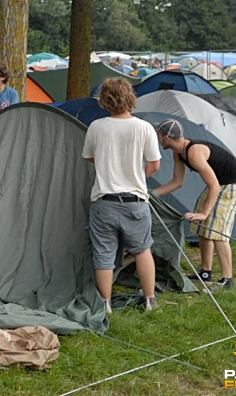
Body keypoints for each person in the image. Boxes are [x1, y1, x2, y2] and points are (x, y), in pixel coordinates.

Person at [82, 78, 161, 313]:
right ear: (130, 98)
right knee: (142, 250)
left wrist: (109, 164)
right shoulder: (143, 127)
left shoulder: (96, 126)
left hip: (103, 202)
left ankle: (105, 303)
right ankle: (149, 300)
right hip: (135, 201)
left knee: (104, 254)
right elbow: (154, 164)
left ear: (104, 99)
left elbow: (89, 157)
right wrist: (137, 177)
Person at [153, 119, 236, 291]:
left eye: (158, 134)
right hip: (218, 184)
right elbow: (177, 182)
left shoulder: (194, 152)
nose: (157, 138)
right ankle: (205, 271)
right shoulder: (178, 153)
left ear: (166, 137)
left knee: (218, 231)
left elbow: (215, 186)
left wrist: (204, 213)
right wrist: (151, 194)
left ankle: (227, 280)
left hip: (232, 185)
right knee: (202, 229)